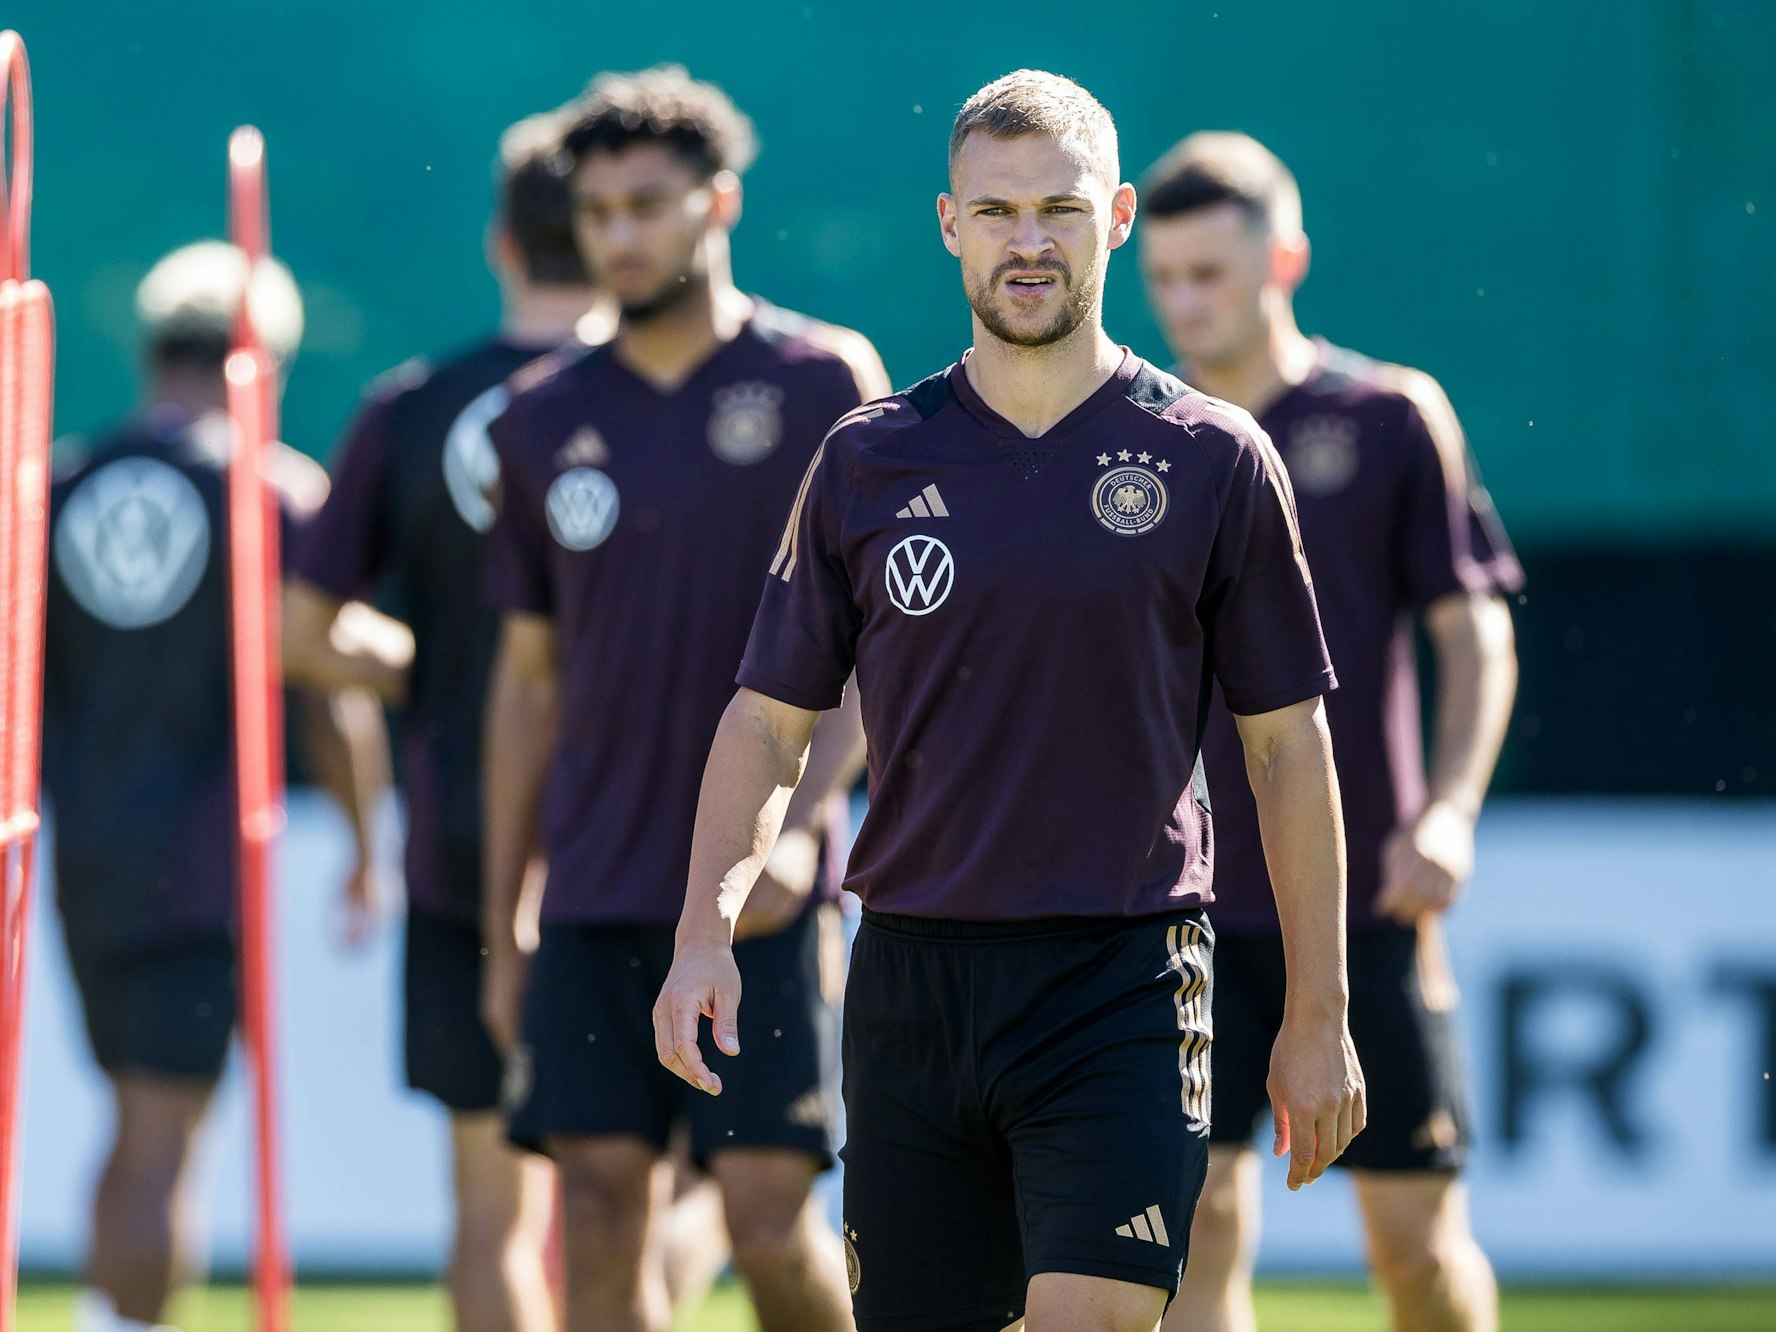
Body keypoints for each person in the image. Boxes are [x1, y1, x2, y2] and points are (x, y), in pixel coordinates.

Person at [654, 70, 1365, 1332]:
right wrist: (704, 928)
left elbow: (1288, 749)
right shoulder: (867, 457)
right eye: (995, 211)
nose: (1027, 241)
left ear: (1118, 218)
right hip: (911, 981)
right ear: (949, 224)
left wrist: (1319, 1012)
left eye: (1060, 209)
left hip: (1124, 974)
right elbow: (768, 720)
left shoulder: (1212, 457)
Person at [480, 67, 886, 1332]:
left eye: (647, 206)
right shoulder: (538, 417)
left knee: (767, 1222)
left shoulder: (823, 381)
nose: (619, 235)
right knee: (600, 1216)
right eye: (598, 211)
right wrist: (505, 916)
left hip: (762, 901)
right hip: (596, 891)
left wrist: (798, 831)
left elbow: (881, 652)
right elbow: (526, 686)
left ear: (719, 203)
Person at [1136, 133, 1521, 1332]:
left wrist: (1449, 811)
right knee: (1195, 1226)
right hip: (1178, 907)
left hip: (1361, 905)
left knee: (1415, 1247)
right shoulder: (1137, 438)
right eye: (1166, 277)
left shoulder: (1389, 415)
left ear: (1285, 260)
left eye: (1211, 272)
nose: (1186, 301)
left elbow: (1475, 632)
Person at [283, 109, 619, 1332]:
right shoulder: (668, 403)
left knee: (490, 1210)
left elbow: (302, 632)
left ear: (500, 242)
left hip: (463, 847)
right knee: (664, 1188)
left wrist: (447, 673)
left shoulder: (411, 408)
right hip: (645, 850)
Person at [45, 242, 388, 1332]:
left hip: (86, 856)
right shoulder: (269, 492)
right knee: (166, 1131)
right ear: (263, 362)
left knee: (133, 1116)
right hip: (202, 864)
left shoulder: (57, 485)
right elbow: (328, 689)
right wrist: (368, 842)